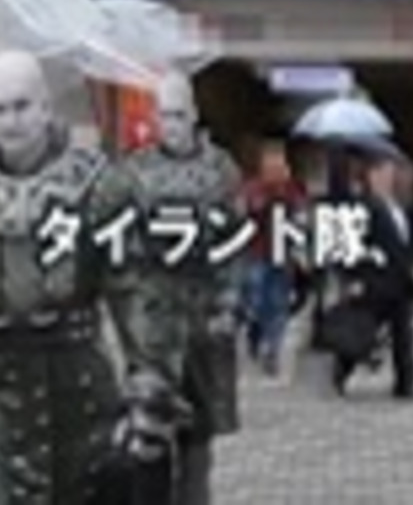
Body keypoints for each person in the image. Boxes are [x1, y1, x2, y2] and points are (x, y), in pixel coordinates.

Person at [0, 50, 180, 505]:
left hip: (77, 385)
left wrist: (148, 390)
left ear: (45, 107)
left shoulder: (95, 185)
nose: (11, 121)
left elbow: (136, 292)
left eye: (21, 106)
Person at [120, 70, 244, 505]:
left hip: (204, 325)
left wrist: (229, 302)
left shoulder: (220, 170)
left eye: (177, 114)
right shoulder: (135, 172)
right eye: (163, 115)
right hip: (153, 327)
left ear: (193, 114)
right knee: (149, 441)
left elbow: (235, 241)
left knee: (197, 444)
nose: (170, 124)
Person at [334, 142, 413, 400]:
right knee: (364, 330)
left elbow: (410, 241)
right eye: (382, 172)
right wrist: (352, 276)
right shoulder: (364, 207)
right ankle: (341, 370)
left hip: (399, 282)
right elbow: (353, 245)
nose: (388, 177)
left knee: (403, 334)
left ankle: (406, 383)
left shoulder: (401, 207)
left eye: (390, 171)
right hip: (375, 282)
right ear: (371, 175)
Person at [241, 143, 308, 375]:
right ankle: (255, 332)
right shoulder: (253, 188)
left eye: (279, 165)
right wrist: (269, 196)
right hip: (257, 253)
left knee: (279, 304)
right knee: (256, 300)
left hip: (282, 255)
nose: (275, 171)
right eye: (270, 166)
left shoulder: (293, 190)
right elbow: (249, 210)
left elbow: (302, 216)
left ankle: (272, 349)